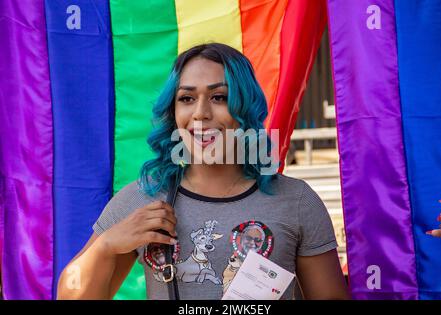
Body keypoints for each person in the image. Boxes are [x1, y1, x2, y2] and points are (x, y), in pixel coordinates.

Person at [57, 43, 350, 300]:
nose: (200, 113)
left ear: (246, 107)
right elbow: (70, 294)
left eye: (218, 97)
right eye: (186, 98)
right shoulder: (141, 198)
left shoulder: (296, 200)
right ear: (173, 113)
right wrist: (107, 246)